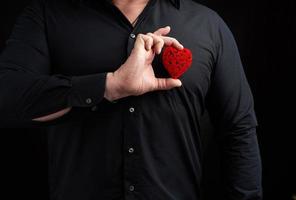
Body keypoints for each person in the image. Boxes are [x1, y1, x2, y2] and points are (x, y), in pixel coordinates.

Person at [0, 0, 262, 199]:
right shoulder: (47, 15)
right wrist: (109, 86)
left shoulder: (208, 26)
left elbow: (238, 130)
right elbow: (7, 100)